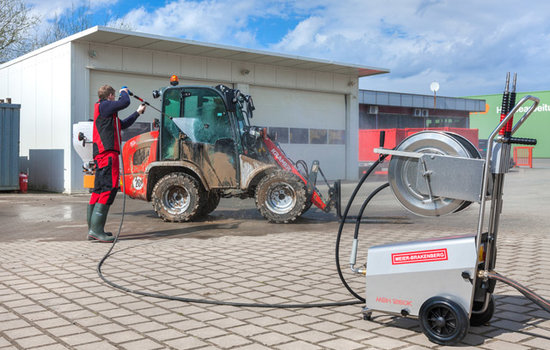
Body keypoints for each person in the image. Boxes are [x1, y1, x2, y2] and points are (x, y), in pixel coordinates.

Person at [87, 85, 146, 242]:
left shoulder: (106, 113)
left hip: (101, 155)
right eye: (115, 96)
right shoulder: (105, 105)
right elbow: (125, 102)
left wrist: (138, 113)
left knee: (99, 190)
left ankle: (93, 230)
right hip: (107, 154)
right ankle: (96, 230)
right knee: (109, 188)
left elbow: (123, 124)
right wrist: (124, 91)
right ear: (111, 96)